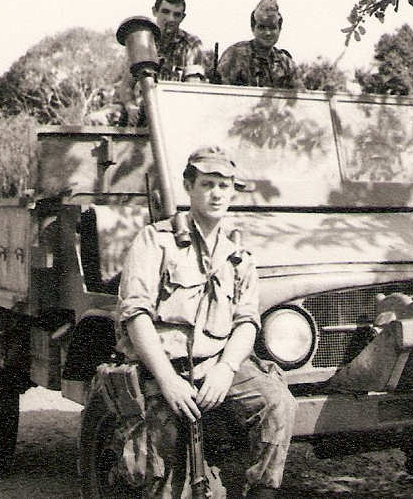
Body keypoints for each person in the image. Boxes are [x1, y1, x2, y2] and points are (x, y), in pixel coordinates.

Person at [114, 145, 296, 498]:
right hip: (162, 367)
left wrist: (226, 368)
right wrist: (168, 380)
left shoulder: (239, 257)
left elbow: (247, 322)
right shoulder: (156, 241)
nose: (216, 194)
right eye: (207, 184)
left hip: (216, 367)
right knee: (160, 472)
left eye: (224, 186)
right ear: (188, 187)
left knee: (278, 403)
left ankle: (262, 492)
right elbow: (135, 315)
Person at [118, 0, 206, 125]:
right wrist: (131, 107)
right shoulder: (141, 41)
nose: (171, 19)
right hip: (141, 109)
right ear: (155, 11)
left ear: (182, 17)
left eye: (176, 15)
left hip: (173, 111)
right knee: (97, 119)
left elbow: (193, 89)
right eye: (165, 12)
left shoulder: (192, 44)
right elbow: (126, 86)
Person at [217, 0, 299, 89]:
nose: (267, 33)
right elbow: (220, 93)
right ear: (253, 28)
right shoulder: (235, 55)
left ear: (279, 29)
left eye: (272, 28)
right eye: (262, 27)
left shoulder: (286, 63)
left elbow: (299, 95)